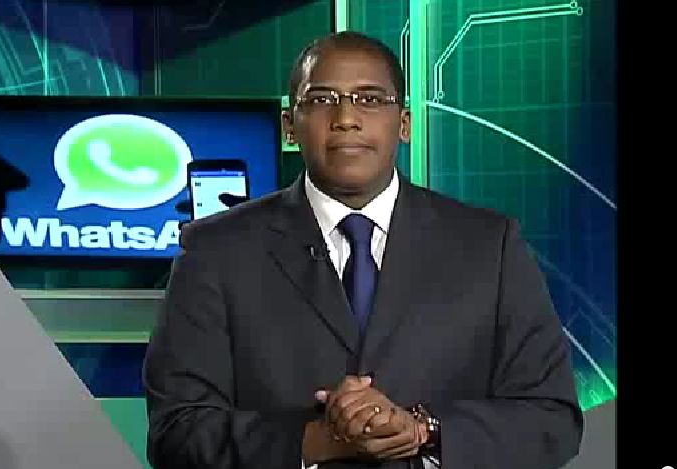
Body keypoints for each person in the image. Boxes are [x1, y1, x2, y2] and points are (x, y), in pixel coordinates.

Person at [143, 31, 583, 469]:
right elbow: (175, 432)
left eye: (370, 99)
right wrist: (314, 440)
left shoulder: (491, 246)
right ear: (290, 125)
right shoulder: (215, 251)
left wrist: (423, 431)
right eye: (321, 99)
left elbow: (551, 417)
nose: (346, 118)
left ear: (404, 123)